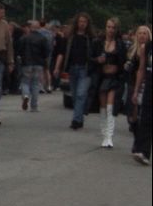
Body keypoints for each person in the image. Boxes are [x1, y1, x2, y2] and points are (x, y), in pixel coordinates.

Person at [53, 13, 95, 130]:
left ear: (88, 24)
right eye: (80, 21)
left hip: (85, 70)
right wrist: (57, 67)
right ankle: (80, 118)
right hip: (72, 69)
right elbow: (61, 53)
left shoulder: (91, 38)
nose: (82, 24)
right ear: (77, 22)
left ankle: (75, 120)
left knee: (81, 94)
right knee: (75, 96)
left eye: (84, 22)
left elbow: (94, 54)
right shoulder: (69, 37)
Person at [95, 18, 127, 149]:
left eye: (113, 27)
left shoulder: (120, 44)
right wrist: (97, 60)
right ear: (105, 27)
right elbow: (90, 57)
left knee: (110, 107)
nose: (110, 30)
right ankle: (104, 135)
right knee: (103, 107)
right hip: (101, 77)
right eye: (108, 27)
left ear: (116, 29)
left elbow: (123, 61)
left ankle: (109, 136)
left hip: (114, 78)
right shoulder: (98, 42)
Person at [129, 33, 152, 165]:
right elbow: (141, 69)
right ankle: (144, 152)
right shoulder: (147, 47)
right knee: (146, 118)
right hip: (149, 85)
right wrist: (136, 90)